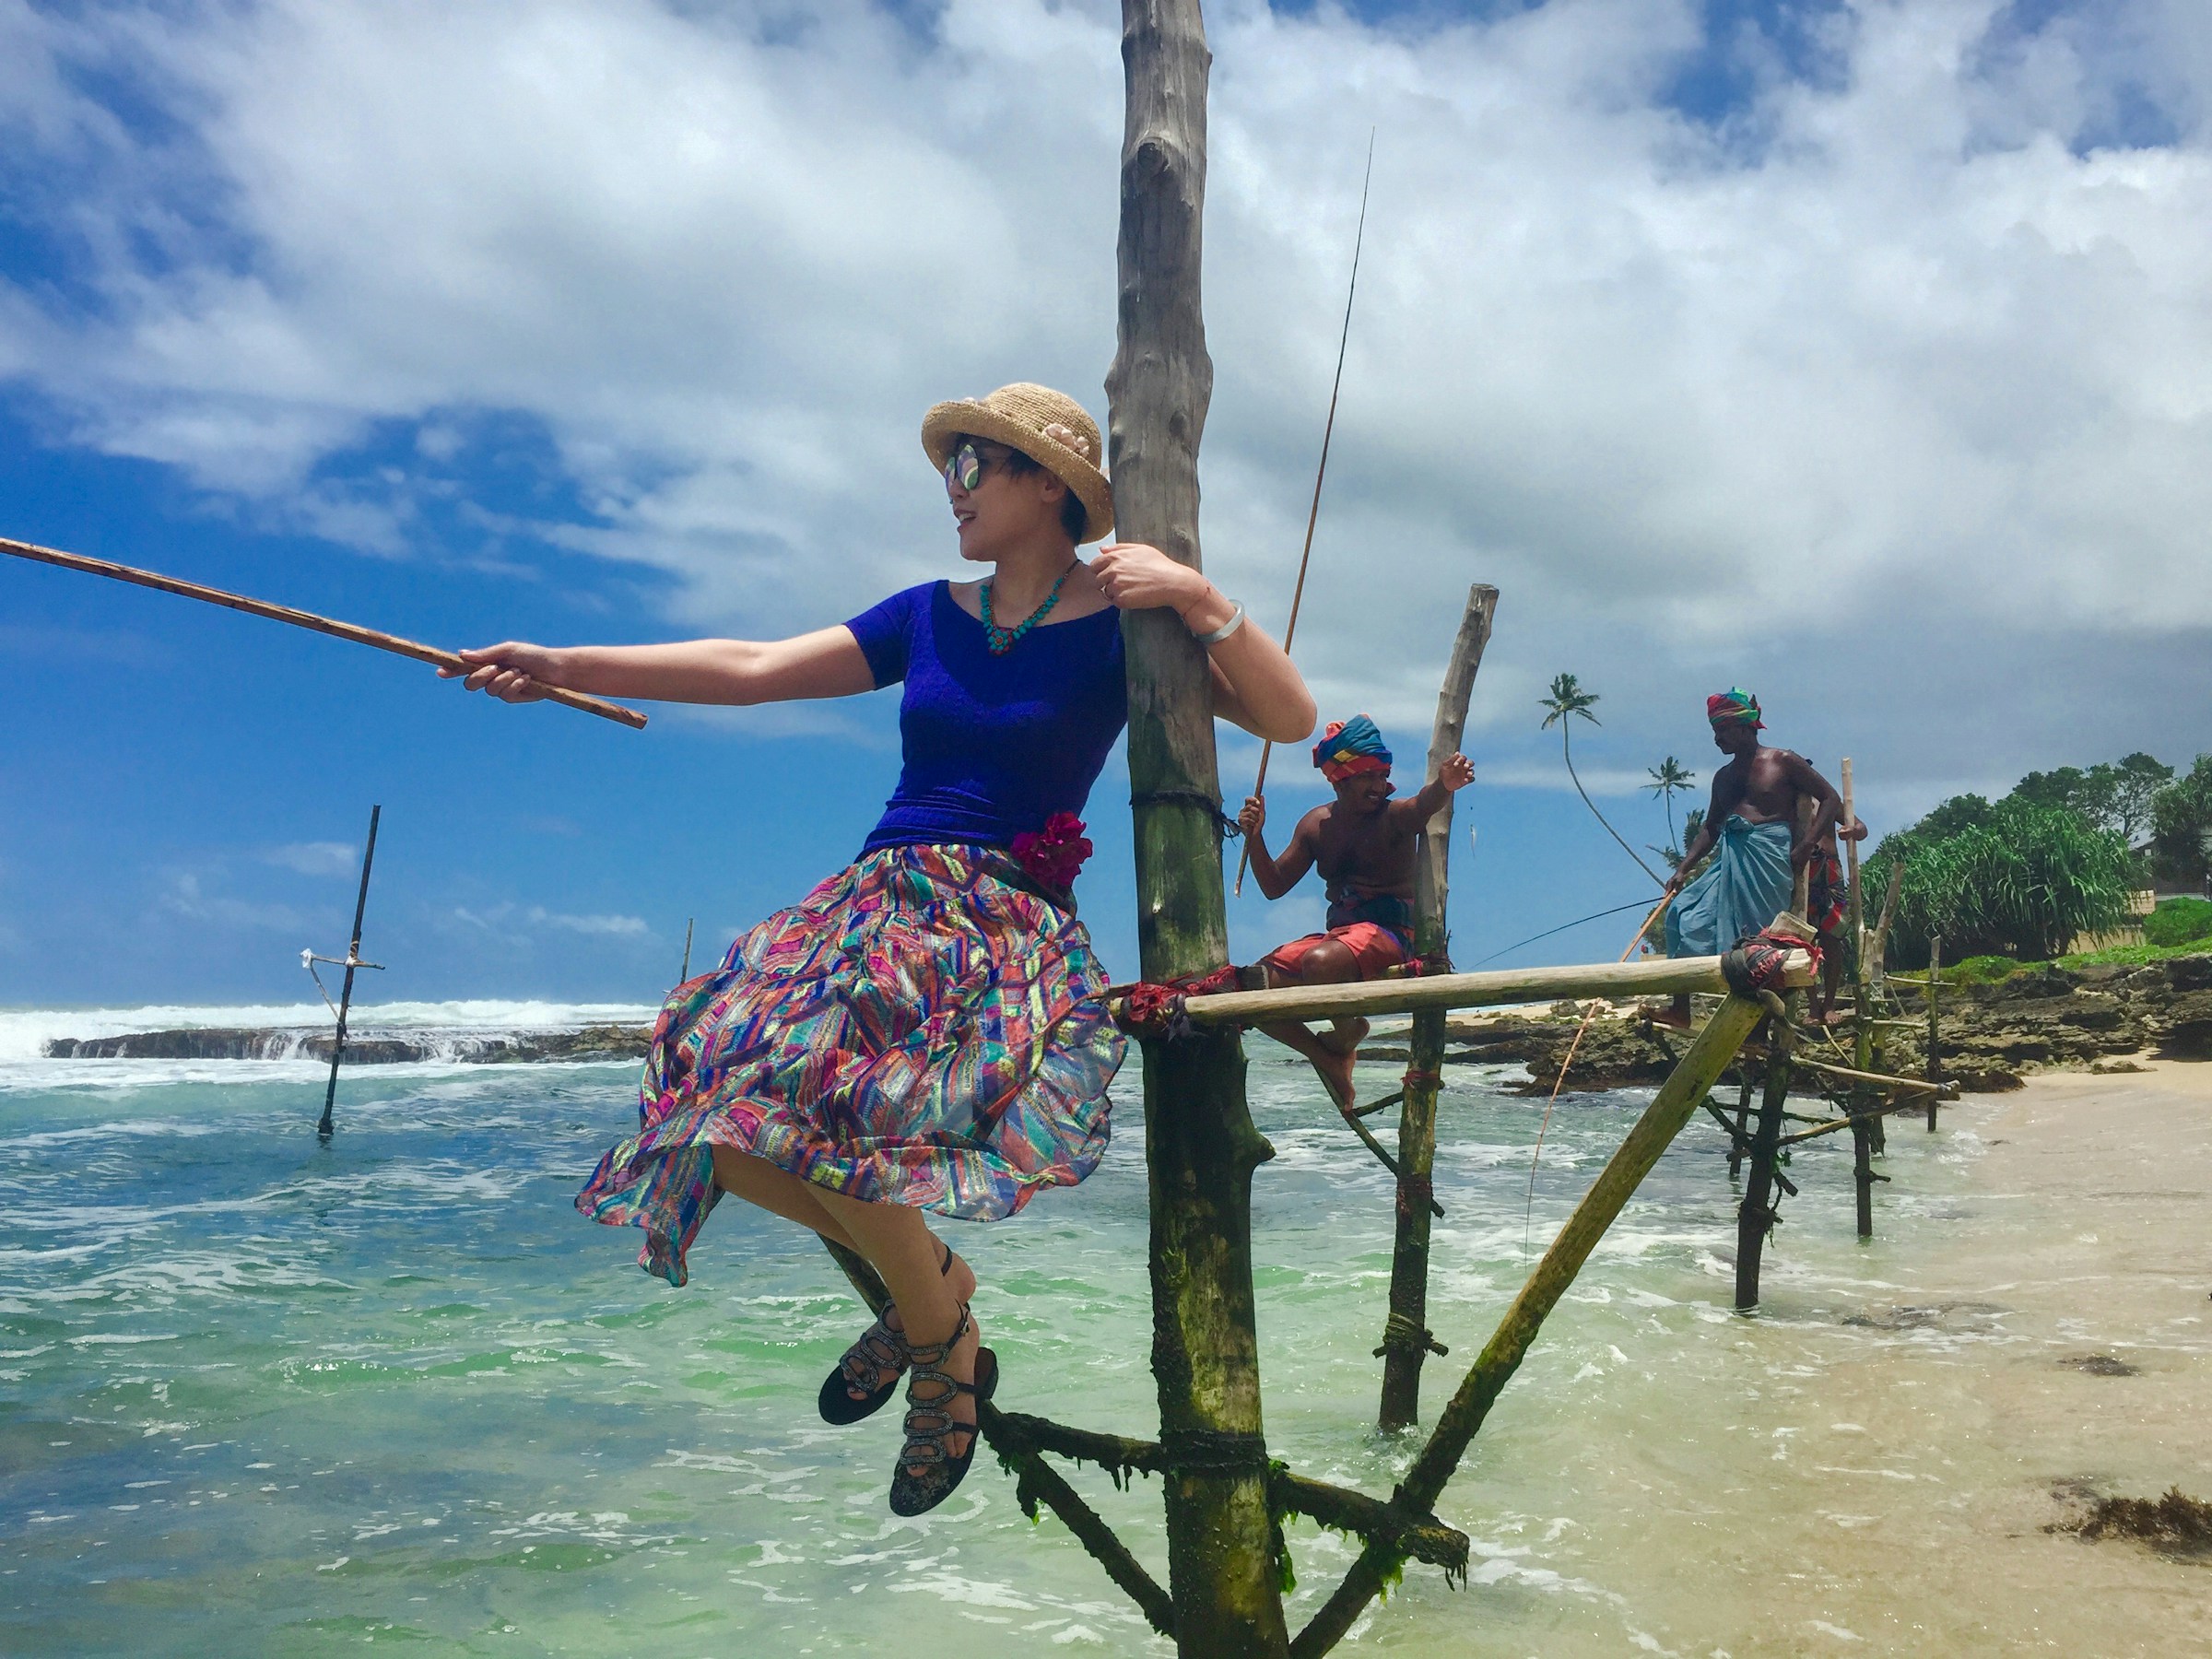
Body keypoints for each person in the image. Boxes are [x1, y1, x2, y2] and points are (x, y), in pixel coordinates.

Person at [442, 383, 1314, 1516]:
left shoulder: (1131, 615)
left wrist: (1199, 598)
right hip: (873, 898)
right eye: (945, 469)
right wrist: (566, 664)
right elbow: (752, 667)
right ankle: (939, 1306)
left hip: (992, 916)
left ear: (1046, 482)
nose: (949, 491)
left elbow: (1289, 720)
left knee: (808, 1113)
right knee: (711, 1111)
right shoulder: (927, 615)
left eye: (972, 469)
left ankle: (938, 1348)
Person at [1235, 715, 1474, 1108]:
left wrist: (1445, 785)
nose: (1379, 787)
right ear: (1338, 779)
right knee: (1250, 985)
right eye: (1368, 778)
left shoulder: (1394, 816)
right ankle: (1328, 1055)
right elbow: (1274, 886)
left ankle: (1349, 1032)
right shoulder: (1315, 825)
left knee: (1321, 962)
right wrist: (1255, 838)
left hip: (1391, 935)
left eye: (1383, 776)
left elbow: (1421, 806)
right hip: (1338, 940)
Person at [1653, 688, 1843, 1027]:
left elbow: (1830, 798)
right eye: (1714, 731)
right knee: (1681, 915)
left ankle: (1759, 1028)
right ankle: (1681, 1009)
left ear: (1745, 727)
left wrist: (1806, 844)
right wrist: (1684, 869)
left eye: (1722, 730)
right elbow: (1711, 827)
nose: (1717, 739)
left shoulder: (1783, 761)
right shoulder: (1724, 777)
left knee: (1759, 943)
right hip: (1731, 858)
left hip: (1769, 860)